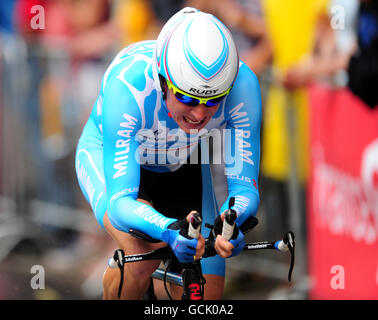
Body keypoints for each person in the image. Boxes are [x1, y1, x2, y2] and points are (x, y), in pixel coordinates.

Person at [75, 7, 262, 300]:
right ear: (163, 81)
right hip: (113, 161)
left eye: (213, 101)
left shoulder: (243, 86)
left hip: (181, 161)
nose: (199, 113)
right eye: (187, 98)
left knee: (206, 292)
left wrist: (232, 220)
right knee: (142, 257)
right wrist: (167, 229)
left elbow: (244, 188)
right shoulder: (129, 86)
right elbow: (121, 202)